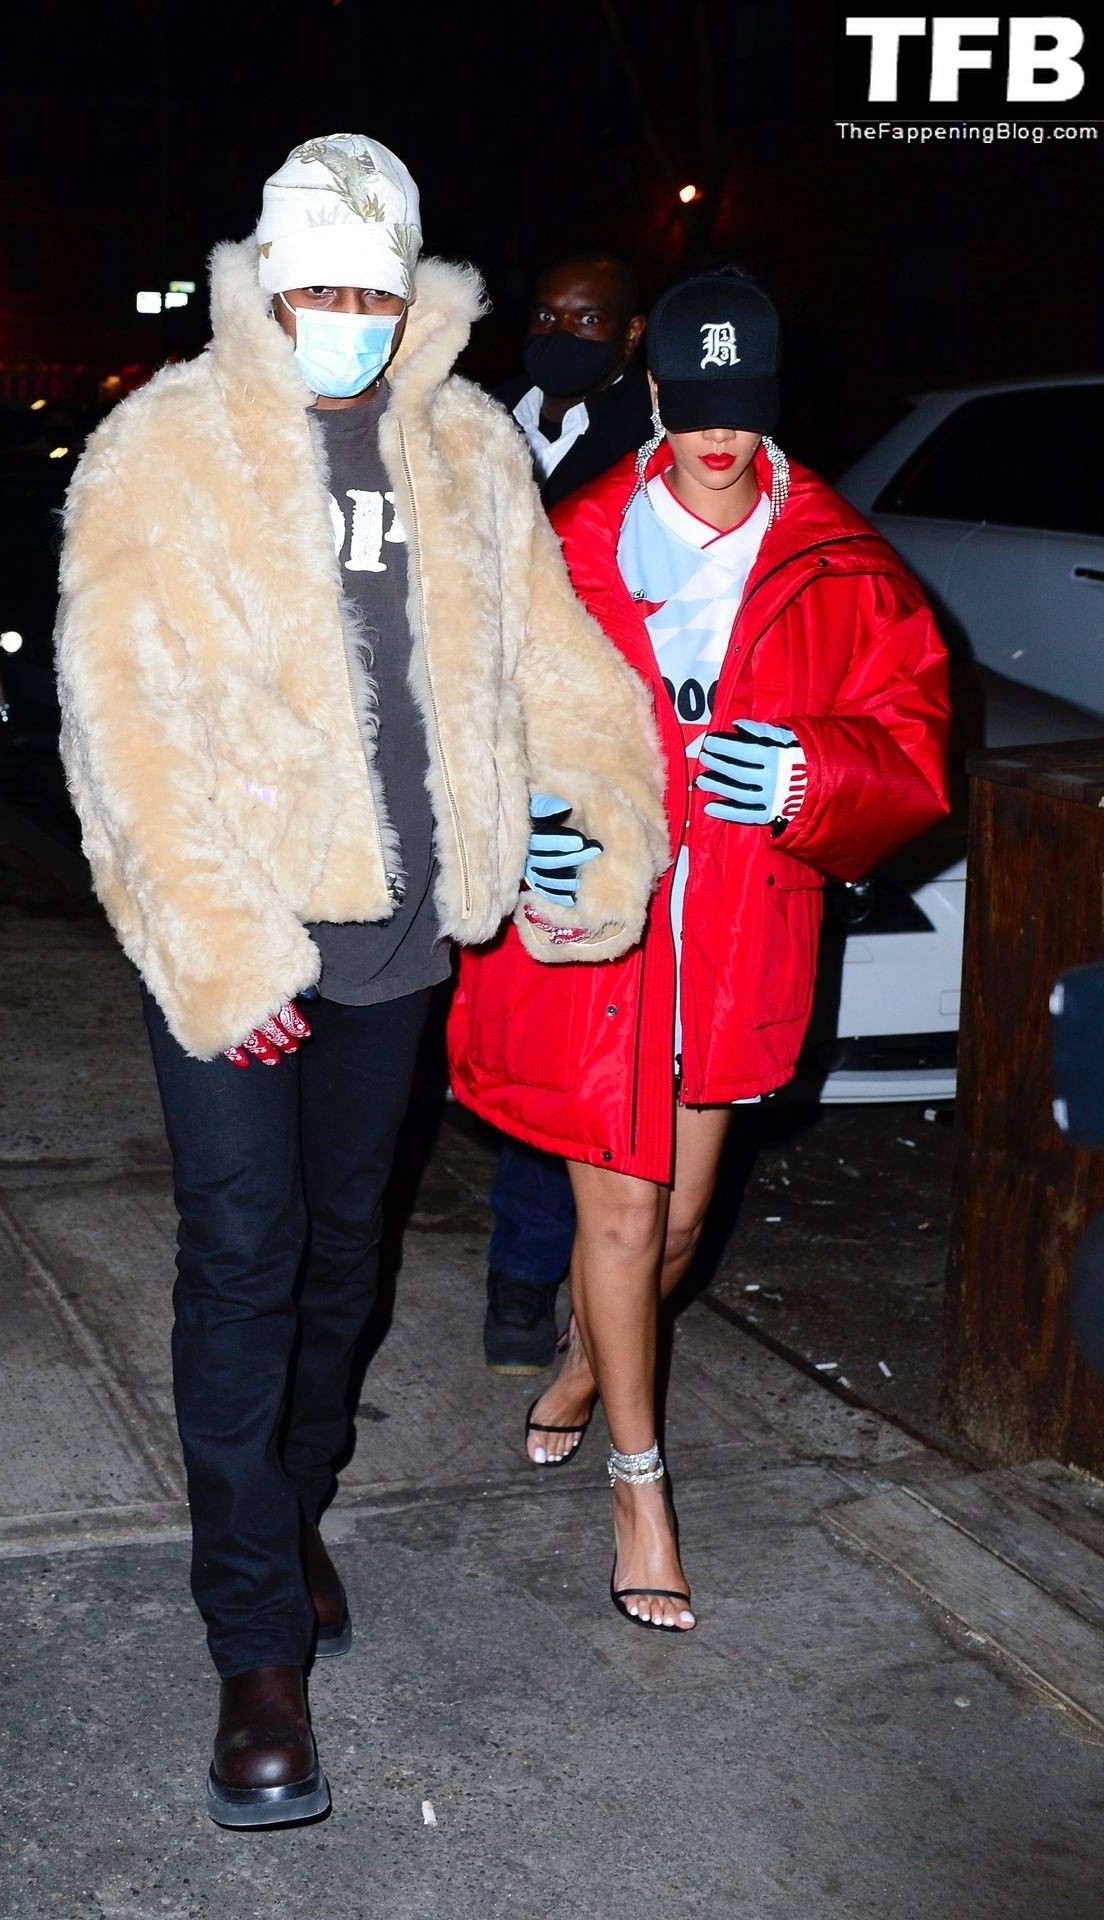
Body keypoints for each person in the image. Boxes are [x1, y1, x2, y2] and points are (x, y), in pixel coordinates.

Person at [55, 133, 666, 1828]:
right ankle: (254, 1645)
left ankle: (291, 1500)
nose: (344, 318)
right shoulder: (165, 446)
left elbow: (554, 668)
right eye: (314, 288)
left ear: (411, 299)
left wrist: (596, 821)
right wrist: (214, 950)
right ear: (265, 284)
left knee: (343, 1259)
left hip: (398, 939)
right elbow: (120, 720)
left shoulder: (466, 446)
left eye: (371, 294)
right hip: (238, 936)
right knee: (244, 1261)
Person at [449, 270, 950, 1633]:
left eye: (747, 407)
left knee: (675, 1227)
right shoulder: (570, 543)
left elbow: (909, 743)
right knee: (619, 1217)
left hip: (733, 931)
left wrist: (809, 778)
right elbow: (477, 715)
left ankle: (579, 1370)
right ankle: (641, 1486)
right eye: (697, 405)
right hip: (603, 926)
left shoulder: (838, 560)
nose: (720, 437)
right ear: (656, 392)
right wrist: (524, 827)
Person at [483, 252, 657, 1374]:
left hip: (581, 767)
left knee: (564, 1027)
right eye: (546, 315)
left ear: (630, 334)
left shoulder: (652, 445)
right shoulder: (480, 423)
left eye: (587, 320)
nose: (560, 334)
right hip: (470, 759)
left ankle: (522, 1277)